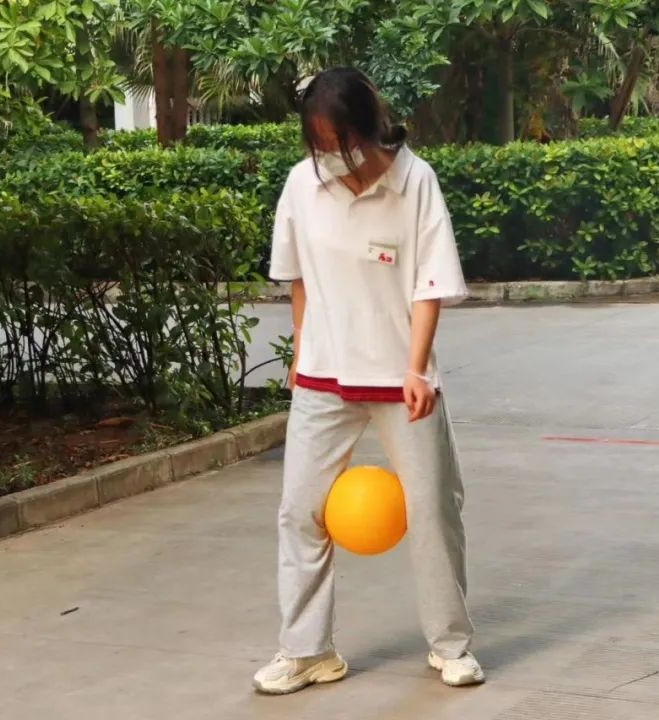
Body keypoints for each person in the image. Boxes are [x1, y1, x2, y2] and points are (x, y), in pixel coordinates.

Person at [253, 67, 484, 695]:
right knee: (300, 512)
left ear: (369, 128)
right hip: (322, 375)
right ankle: (307, 652)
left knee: (433, 510)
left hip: (401, 378)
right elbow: (299, 277)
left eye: (341, 142)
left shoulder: (416, 182)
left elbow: (429, 284)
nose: (332, 157)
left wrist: (417, 368)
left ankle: (451, 645)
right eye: (320, 145)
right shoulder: (303, 184)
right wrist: (301, 351)